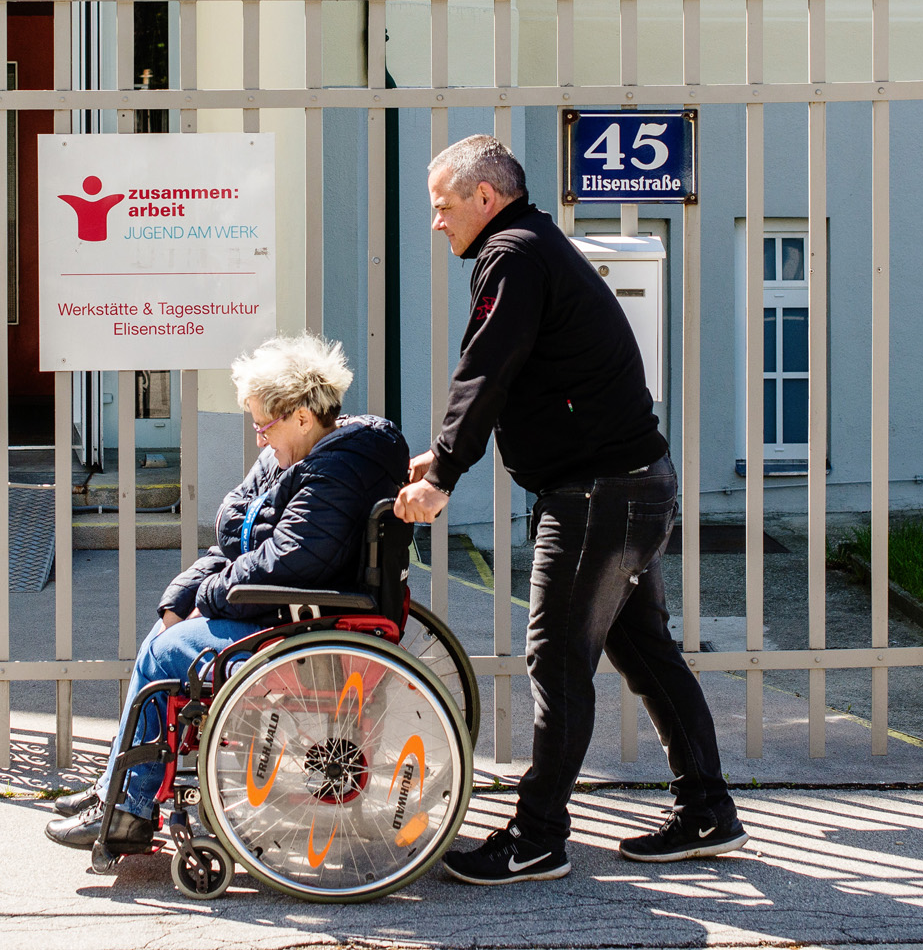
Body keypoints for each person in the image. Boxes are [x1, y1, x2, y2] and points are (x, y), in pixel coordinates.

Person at [396, 133, 744, 884]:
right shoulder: (535, 245)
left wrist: (444, 472)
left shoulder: (513, 254)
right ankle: (706, 811)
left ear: (483, 196)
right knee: (645, 651)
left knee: (557, 658)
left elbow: (487, 366)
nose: (437, 221)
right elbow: (522, 371)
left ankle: (538, 835)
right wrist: (442, 450)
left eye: (443, 205)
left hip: (598, 496)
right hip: (629, 484)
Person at [47, 332, 408, 858]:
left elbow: (290, 559)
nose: (259, 439)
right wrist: (182, 597)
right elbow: (237, 530)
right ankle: (118, 792)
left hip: (309, 622)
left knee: (164, 654)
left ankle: (127, 807)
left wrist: (210, 597)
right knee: (163, 631)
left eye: (264, 425)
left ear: (301, 417)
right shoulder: (300, 455)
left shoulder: (338, 468)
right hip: (284, 606)